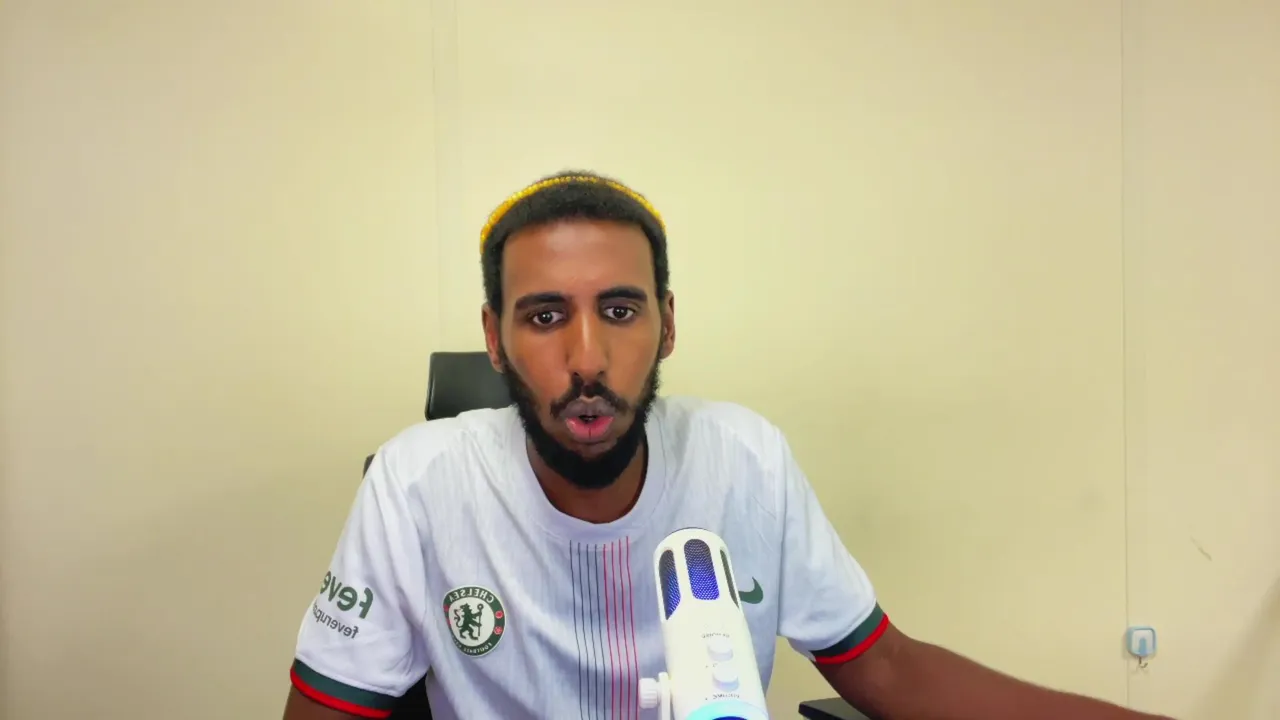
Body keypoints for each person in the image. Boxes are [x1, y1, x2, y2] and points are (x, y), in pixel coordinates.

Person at [282, 171, 1175, 720]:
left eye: (620, 310)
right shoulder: (419, 482)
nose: (587, 359)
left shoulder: (743, 461)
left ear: (667, 325)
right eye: (545, 316)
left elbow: (888, 668)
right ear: (494, 337)